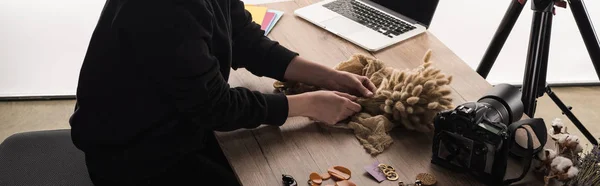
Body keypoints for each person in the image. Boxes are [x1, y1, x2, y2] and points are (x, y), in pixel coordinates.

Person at [69, 0, 376, 185]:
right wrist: (308, 104)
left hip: (173, 124)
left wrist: (330, 77)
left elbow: (244, 39)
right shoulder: (165, 9)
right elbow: (214, 106)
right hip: (133, 156)